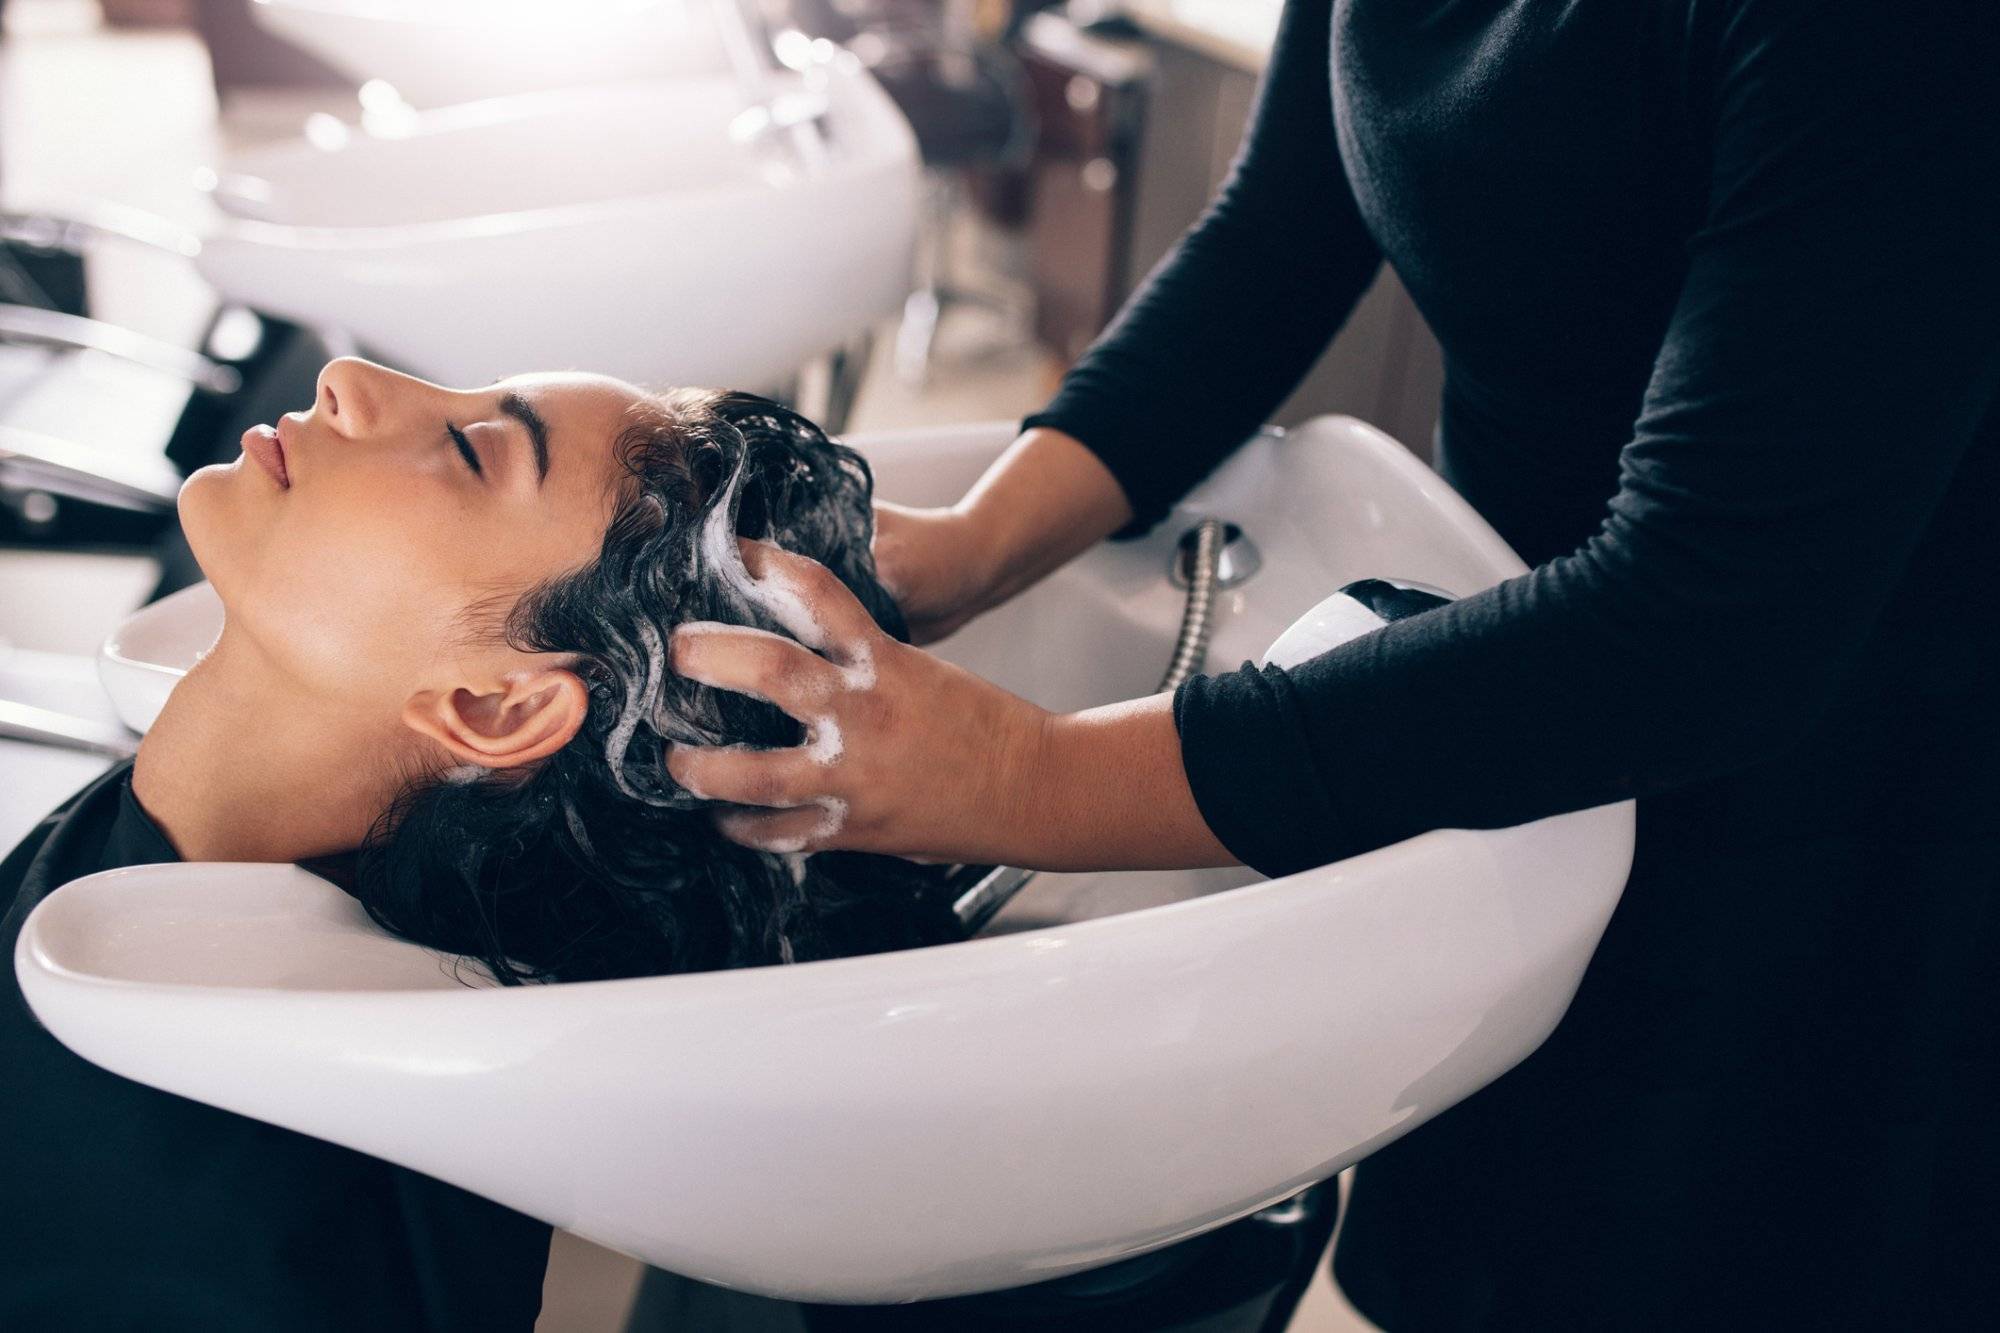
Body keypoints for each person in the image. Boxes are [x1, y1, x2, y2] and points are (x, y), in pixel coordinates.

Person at [663, 0, 1999, 1326]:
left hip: (1834, 784)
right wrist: (977, 546)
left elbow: (1713, 629)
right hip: (1487, 693)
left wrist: (1028, 773)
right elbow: (1276, 238)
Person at [0, 358, 955, 1330]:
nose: (349, 379)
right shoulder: (184, 851)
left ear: (497, 708)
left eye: (470, 449)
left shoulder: (229, 1256)